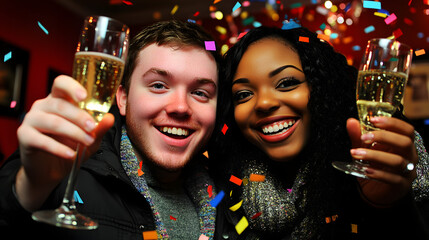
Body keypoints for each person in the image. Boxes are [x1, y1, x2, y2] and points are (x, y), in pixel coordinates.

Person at [0, 20, 223, 239]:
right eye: (158, 86)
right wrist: (30, 187)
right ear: (123, 99)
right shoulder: (67, 169)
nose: (181, 107)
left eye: (200, 93)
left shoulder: (225, 196)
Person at [211, 26, 429, 239]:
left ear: (323, 88)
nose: (264, 103)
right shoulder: (221, 189)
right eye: (244, 94)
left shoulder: (367, 173)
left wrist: (390, 206)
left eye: (287, 83)